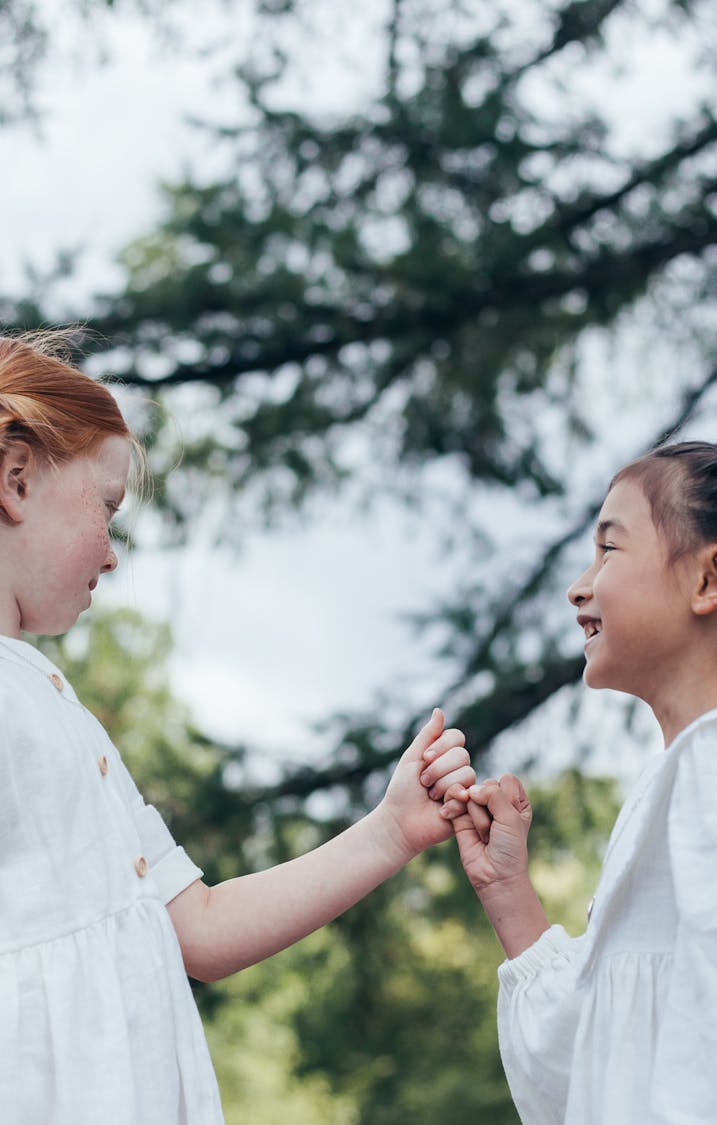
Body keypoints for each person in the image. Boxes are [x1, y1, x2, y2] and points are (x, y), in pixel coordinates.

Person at [0, 331, 475, 1124]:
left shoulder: (58, 708)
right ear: (15, 480)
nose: (112, 556)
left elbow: (202, 928)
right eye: (106, 509)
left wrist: (390, 831)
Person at [448, 440, 717, 1124]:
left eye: (609, 550)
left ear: (713, 576)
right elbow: (595, 1058)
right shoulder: (684, 774)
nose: (578, 586)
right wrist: (507, 890)